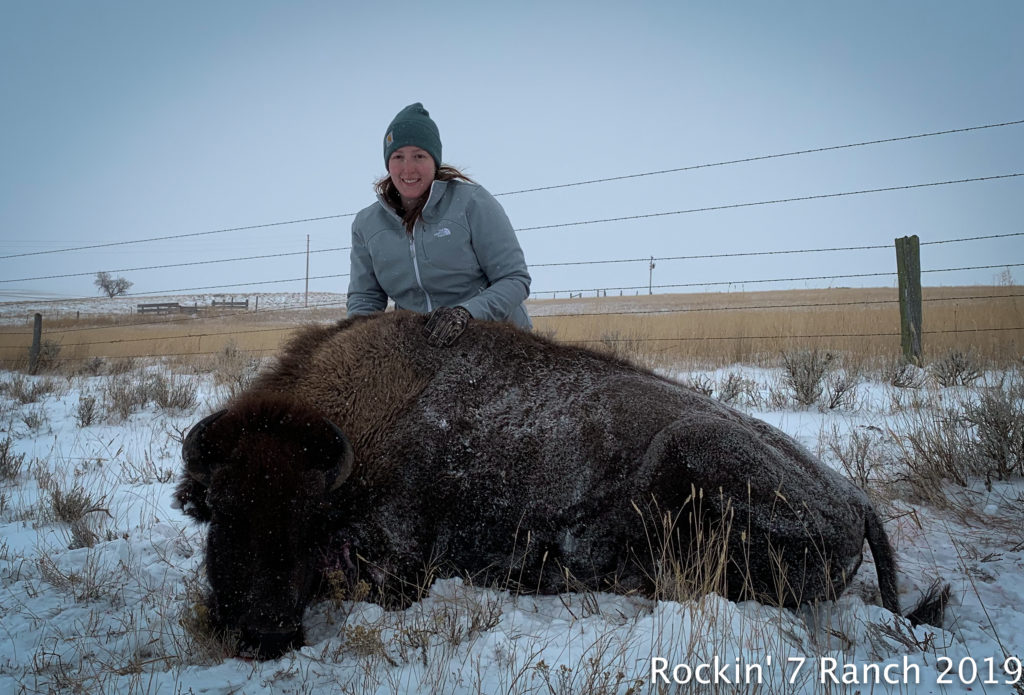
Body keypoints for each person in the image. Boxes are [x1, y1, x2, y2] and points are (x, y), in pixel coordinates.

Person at [346, 103, 532, 347]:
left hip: (494, 340)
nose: (408, 168)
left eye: (419, 156)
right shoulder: (367, 224)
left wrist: (466, 314)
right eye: (398, 156)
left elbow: (514, 279)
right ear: (387, 163)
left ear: (434, 160)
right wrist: (358, 345)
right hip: (421, 351)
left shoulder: (471, 202)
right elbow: (366, 298)